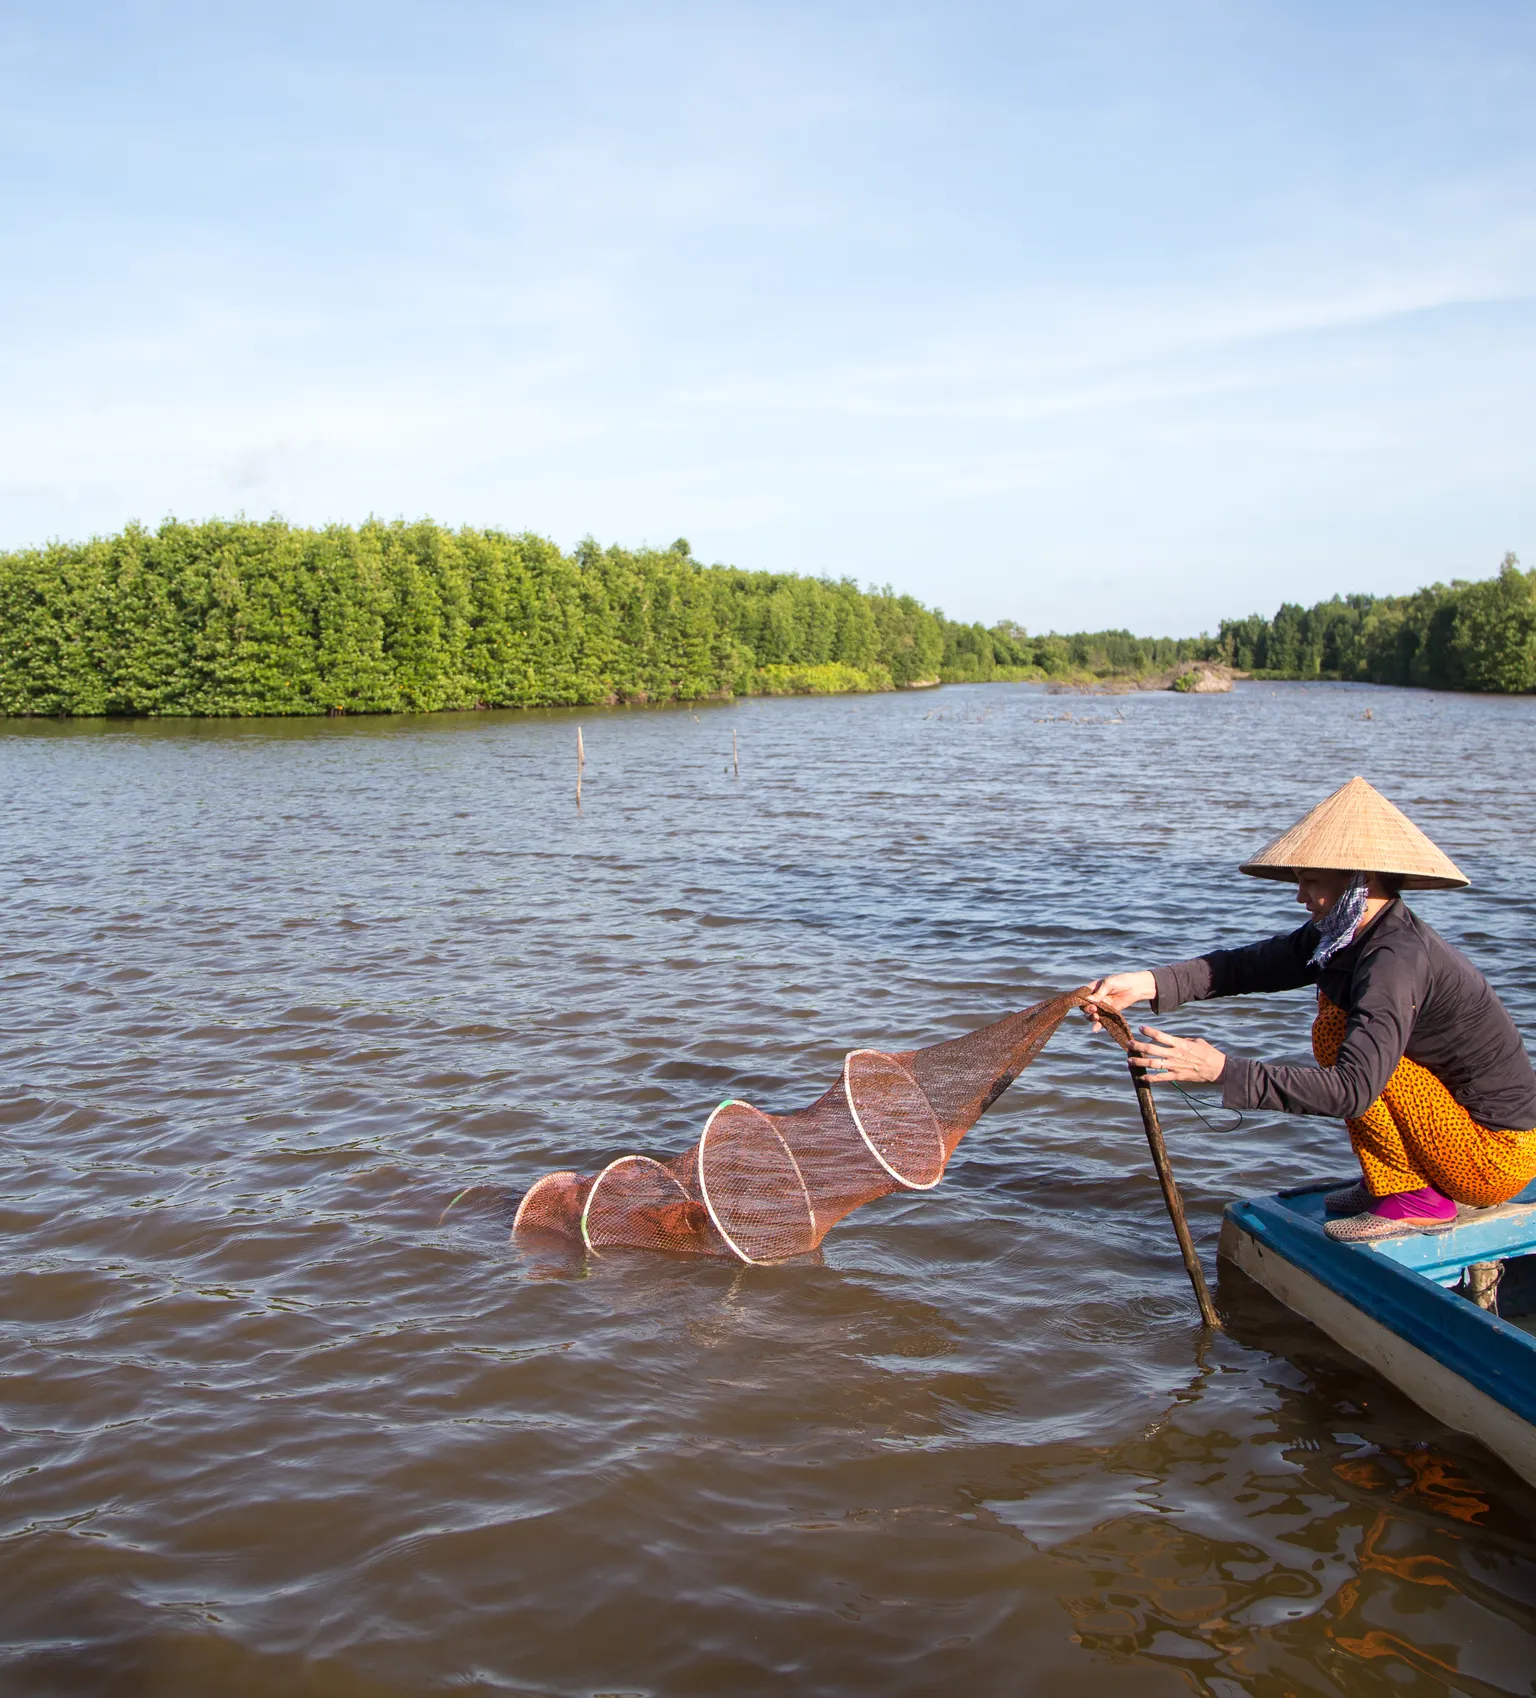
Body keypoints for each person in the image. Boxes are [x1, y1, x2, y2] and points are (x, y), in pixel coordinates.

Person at [1086, 776, 1536, 1242]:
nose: (1299, 896)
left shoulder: (1395, 959)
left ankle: (1417, 1197)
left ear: (1359, 881)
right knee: (1336, 1020)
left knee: (1337, 1032)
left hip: (1493, 1158)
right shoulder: (1344, 936)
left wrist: (1221, 1069)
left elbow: (1353, 1090)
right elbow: (1247, 967)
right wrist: (1146, 983)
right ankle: (1395, 1182)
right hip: (1457, 1135)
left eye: (1311, 882)